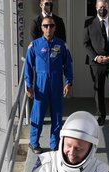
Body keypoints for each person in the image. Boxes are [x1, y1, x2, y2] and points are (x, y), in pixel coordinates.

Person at [25, 16, 73, 154]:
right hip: (40, 85)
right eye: (45, 26)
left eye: (51, 26)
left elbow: (68, 65)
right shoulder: (34, 45)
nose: (48, 28)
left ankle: (55, 144)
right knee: (37, 115)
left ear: (55, 27)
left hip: (56, 85)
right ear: (41, 27)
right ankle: (34, 143)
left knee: (57, 116)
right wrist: (29, 85)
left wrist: (69, 82)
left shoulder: (62, 45)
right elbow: (28, 67)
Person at [83, 1, 109, 126]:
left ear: (108, 8)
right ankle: (101, 116)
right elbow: (86, 43)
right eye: (100, 7)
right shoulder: (88, 23)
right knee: (98, 90)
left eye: (104, 7)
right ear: (96, 8)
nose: (102, 9)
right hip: (96, 63)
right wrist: (96, 57)